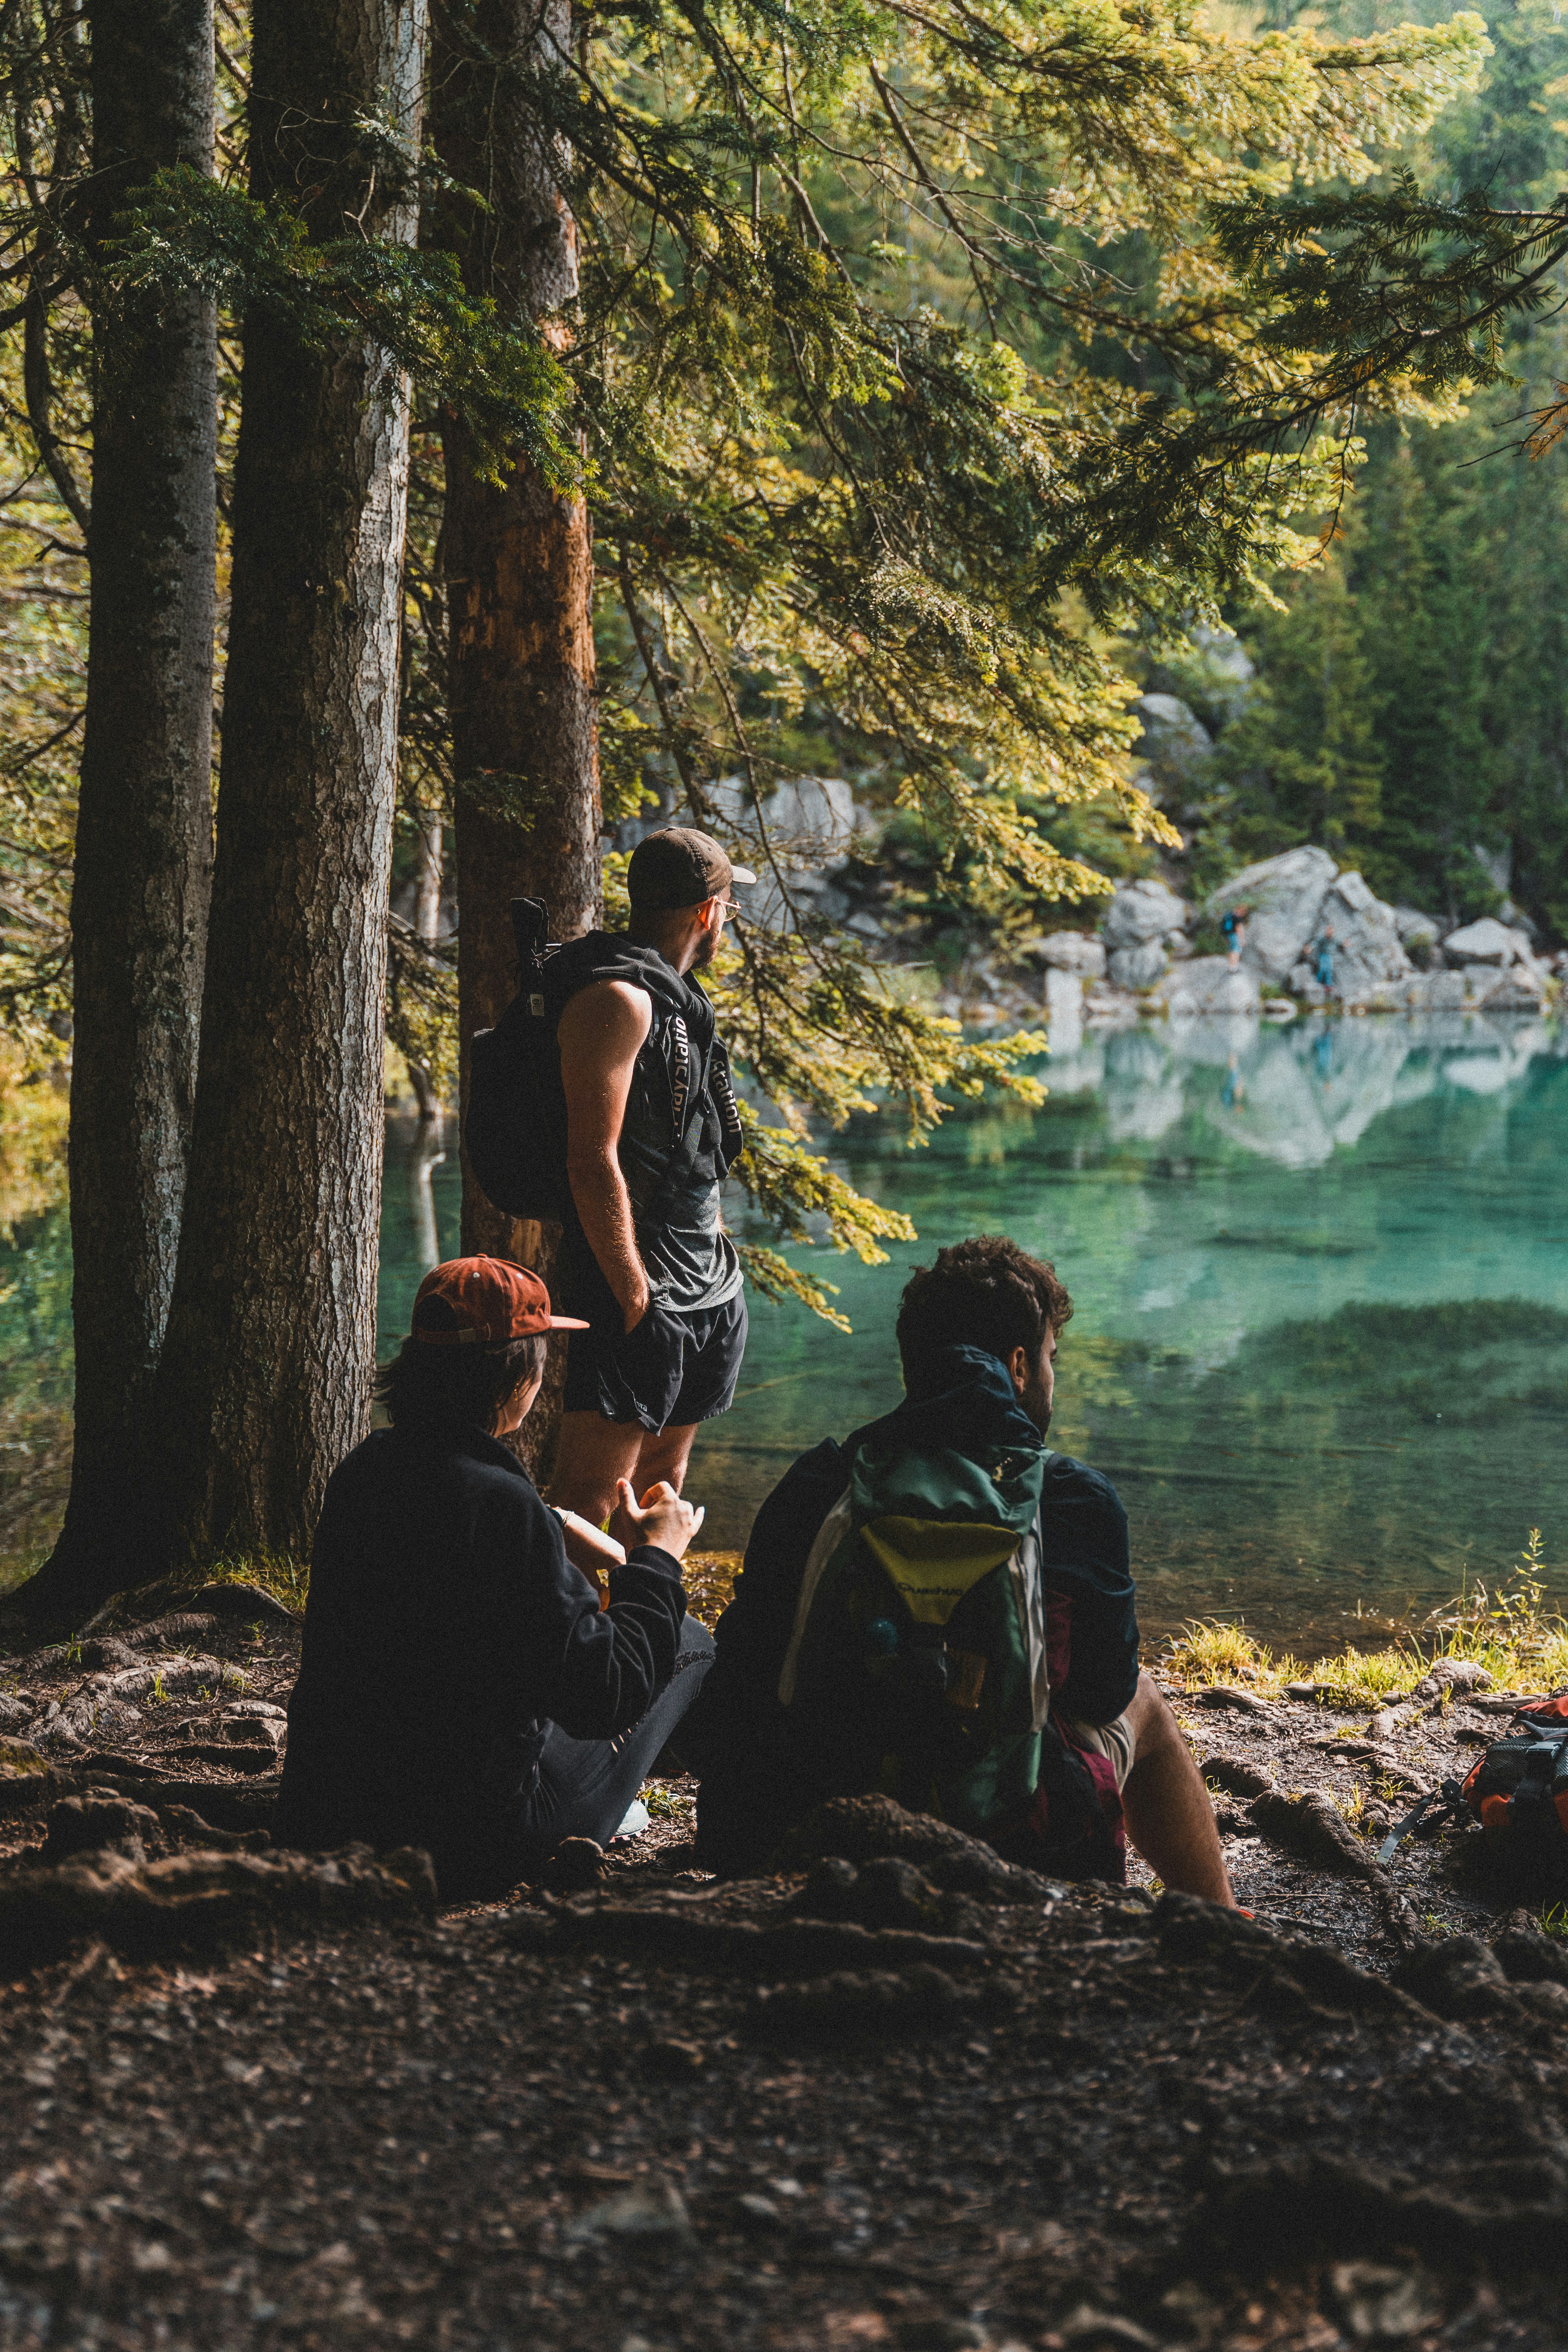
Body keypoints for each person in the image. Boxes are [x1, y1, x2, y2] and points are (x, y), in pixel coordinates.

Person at [681, 1236, 1234, 1904]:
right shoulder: (1071, 1496)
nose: (1053, 1379)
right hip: (1018, 1839)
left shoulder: (820, 1480)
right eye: (1053, 1360)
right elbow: (1100, 1690)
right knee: (1143, 1695)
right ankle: (1221, 1921)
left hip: (805, 1828)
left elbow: (744, 1672)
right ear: (1020, 1365)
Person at [274, 1256, 714, 1898]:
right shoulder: (501, 1509)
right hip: (471, 1843)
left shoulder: (366, 1471)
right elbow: (604, 1696)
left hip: (328, 1818)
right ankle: (726, 1823)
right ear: (517, 1377)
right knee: (691, 1640)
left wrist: (549, 1522)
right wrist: (658, 1558)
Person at [546, 827, 754, 1547]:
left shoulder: (680, 1001)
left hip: (702, 1285)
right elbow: (590, 1159)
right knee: (588, 1502)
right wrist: (635, 1296)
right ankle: (557, 1649)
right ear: (708, 913)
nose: (728, 918)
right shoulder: (618, 999)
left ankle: (638, 1636)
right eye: (728, 905)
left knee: (660, 1489)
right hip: (641, 1286)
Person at [1220, 904, 1250, 971]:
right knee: (1237, 950)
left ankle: (1231, 966)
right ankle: (1235, 966)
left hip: (1228, 935)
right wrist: (1242, 939)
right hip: (1234, 935)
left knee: (1231, 950)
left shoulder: (1229, 915)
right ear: (1242, 910)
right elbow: (1239, 929)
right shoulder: (1237, 917)